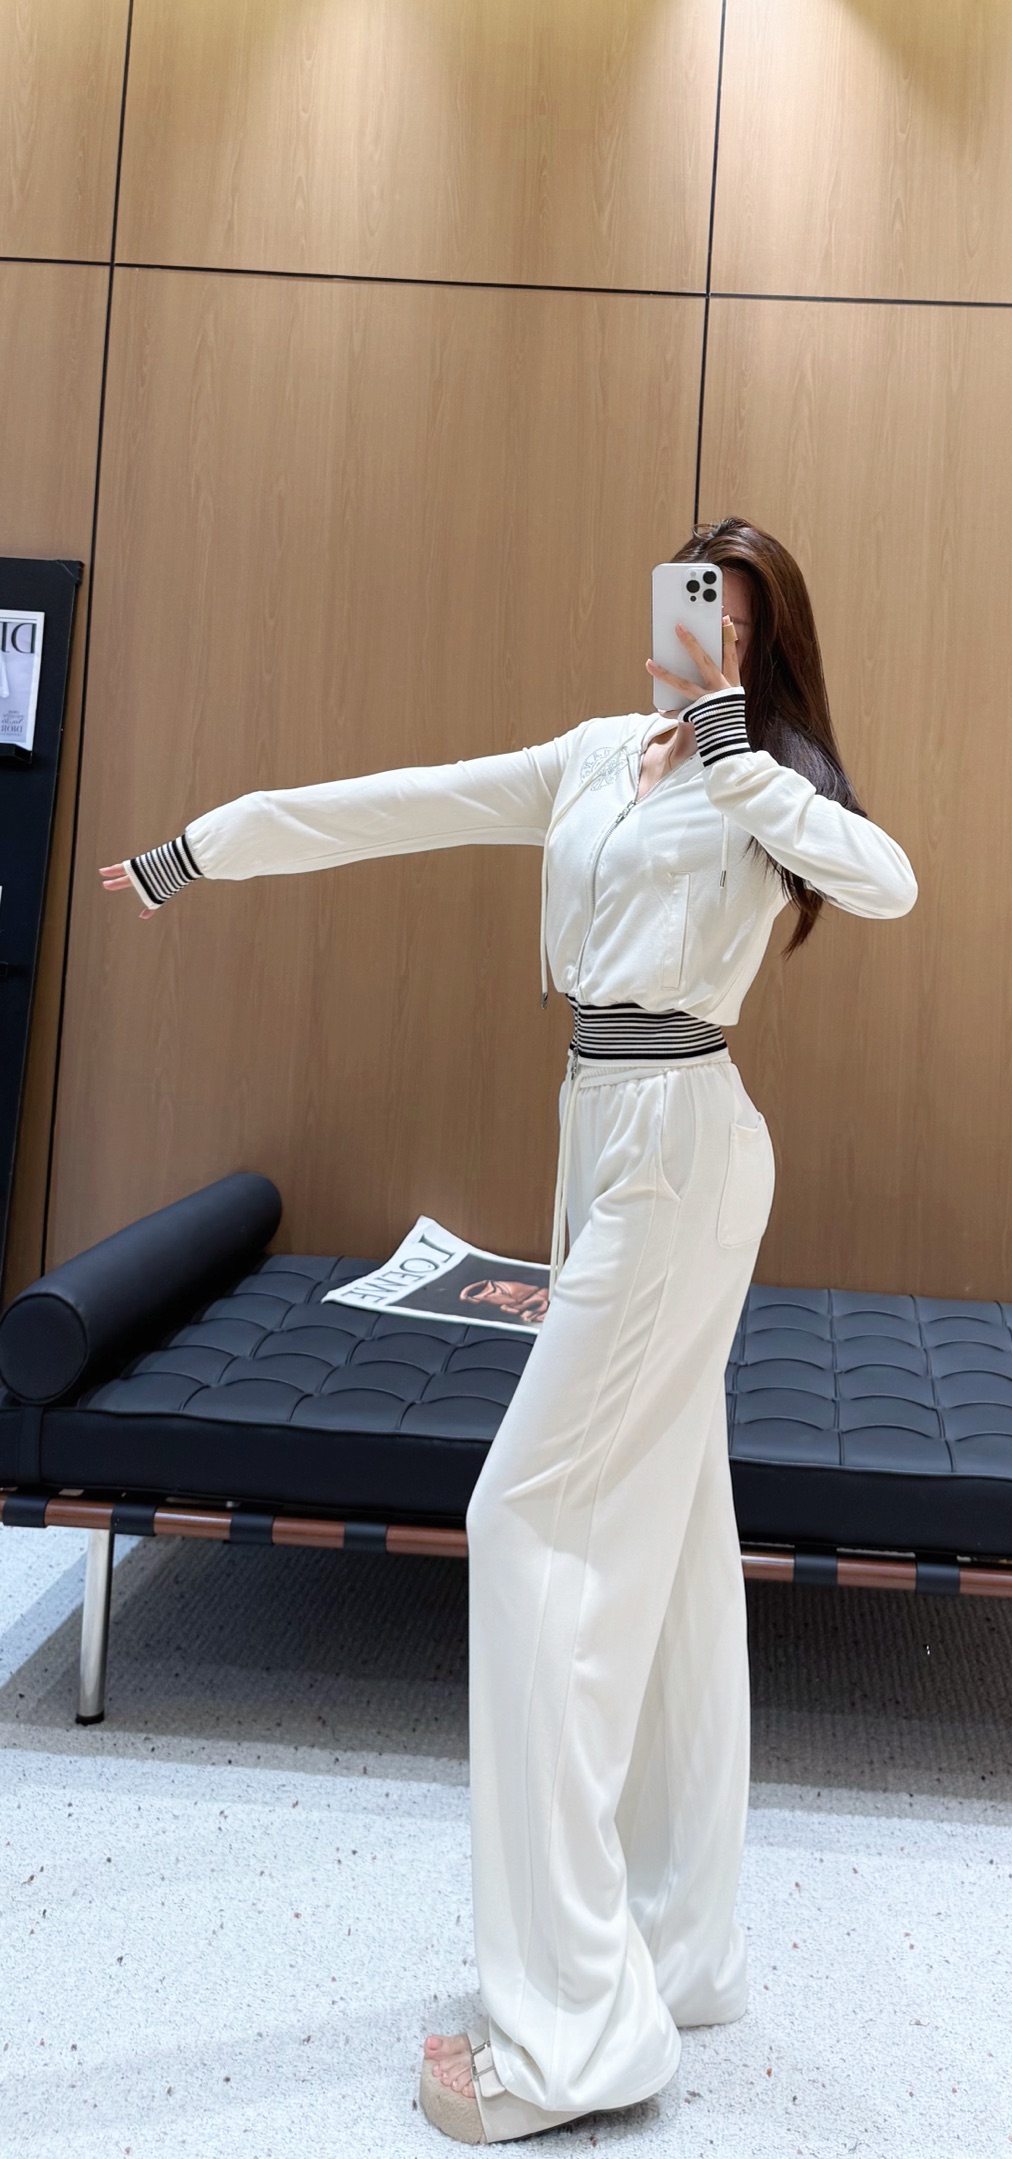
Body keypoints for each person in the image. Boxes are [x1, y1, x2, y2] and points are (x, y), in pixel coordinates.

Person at [102, 518, 917, 2145]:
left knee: (526, 1517)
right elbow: (392, 805)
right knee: (673, 1536)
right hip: (600, 1131)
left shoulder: (771, 786)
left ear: (763, 647)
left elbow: (888, 884)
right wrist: (201, 850)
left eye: (730, 620)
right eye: (686, 600)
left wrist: (741, 751)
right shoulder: (595, 757)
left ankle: (573, 2032)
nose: (696, 634)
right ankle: (678, 1945)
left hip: (682, 1144)